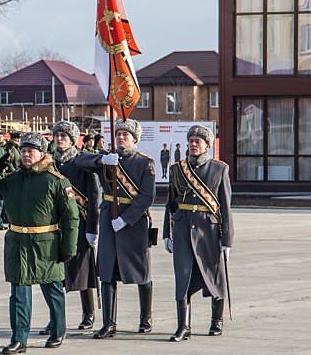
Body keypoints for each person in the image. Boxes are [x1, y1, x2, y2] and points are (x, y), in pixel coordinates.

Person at [0, 133, 79, 355]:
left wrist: (69, 247)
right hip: (17, 242)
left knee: (53, 290)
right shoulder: (13, 180)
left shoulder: (56, 181)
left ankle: (58, 331)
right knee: (18, 293)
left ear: (42, 154)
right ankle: (19, 339)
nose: (26, 155)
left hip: (46, 243)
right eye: (24, 151)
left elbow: (71, 217)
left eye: (31, 151)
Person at [76, 118, 156, 339]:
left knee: (141, 272)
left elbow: (147, 197)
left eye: (125, 135)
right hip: (109, 219)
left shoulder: (144, 163)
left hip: (133, 222)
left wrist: (127, 218)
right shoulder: (108, 159)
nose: (121, 138)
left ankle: (145, 319)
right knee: (107, 272)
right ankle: (109, 323)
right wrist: (102, 159)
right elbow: (80, 161)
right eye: (118, 134)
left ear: (134, 139)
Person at [163, 125, 233, 341]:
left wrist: (227, 240)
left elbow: (225, 206)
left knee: (214, 275)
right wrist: (167, 233)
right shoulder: (177, 169)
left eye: (198, 141)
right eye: (191, 140)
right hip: (183, 228)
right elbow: (170, 203)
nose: (193, 144)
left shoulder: (219, 169)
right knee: (182, 276)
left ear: (207, 145)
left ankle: (216, 321)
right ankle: (183, 326)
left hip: (209, 230)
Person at [43, 120, 100, 332]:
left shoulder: (82, 163)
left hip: (80, 221)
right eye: (57, 136)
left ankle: (89, 314)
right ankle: (56, 318)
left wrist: (92, 228)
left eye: (64, 136)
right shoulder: (49, 164)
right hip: (55, 225)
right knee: (55, 273)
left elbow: (94, 198)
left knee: (83, 270)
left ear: (73, 140)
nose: (59, 140)